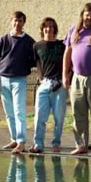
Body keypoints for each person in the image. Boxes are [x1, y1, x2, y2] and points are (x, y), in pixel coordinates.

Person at [62, 3, 91, 156]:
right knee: (78, 113)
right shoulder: (74, 31)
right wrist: (65, 74)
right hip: (77, 78)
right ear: (82, 15)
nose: (90, 17)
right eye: (87, 14)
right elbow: (67, 53)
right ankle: (81, 145)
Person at [0, 11, 35, 154]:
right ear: (11, 21)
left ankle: (21, 142)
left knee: (19, 111)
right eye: (15, 20)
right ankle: (14, 139)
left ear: (24, 23)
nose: (18, 23)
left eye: (21, 21)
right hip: (3, 79)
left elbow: (36, 58)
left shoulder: (29, 41)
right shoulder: (3, 40)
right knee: (9, 113)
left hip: (19, 80)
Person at [29, 17, 67, 154]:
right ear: (42, 29)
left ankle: (56, 143)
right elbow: (36, 63)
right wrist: (40, 78)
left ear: (55, 29)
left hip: (59, 84)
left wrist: (64, 80)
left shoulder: (62, 45)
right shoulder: (37, 46)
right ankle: (38, 144)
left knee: (59, 117)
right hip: (44, 84)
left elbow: (69, 63)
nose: (48, 29)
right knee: (39, 117)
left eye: (51, 26)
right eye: (46, 26)